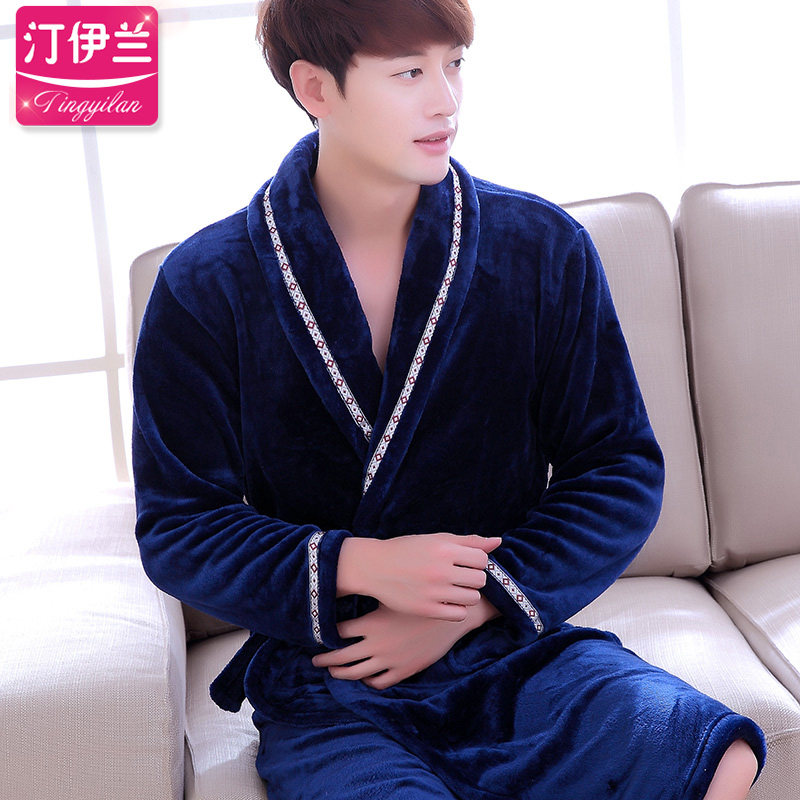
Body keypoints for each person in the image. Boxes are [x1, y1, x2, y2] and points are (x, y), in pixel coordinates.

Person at [132, 1, 766, 797]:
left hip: (510, 647)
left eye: (454, 64)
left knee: (716, 754)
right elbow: (180, 526)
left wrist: (472, 604)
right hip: (335, 677)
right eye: (409, 73)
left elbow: (619, 468)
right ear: (316, 88)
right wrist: (360, 564)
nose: (446, 100)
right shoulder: (206, 285)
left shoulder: (541, 249)